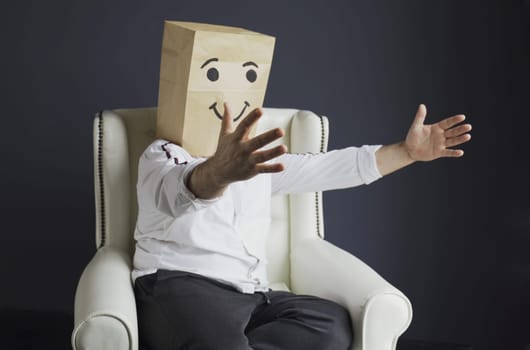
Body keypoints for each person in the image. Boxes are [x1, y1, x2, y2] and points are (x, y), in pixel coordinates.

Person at [132, 102, 472, 350]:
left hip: (251, 294)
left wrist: (406, 153)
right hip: (179, 282)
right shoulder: (161, 154)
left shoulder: (255, 162)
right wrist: (219, 172)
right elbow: (182, 191)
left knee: (330, 326)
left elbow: (328, 167)